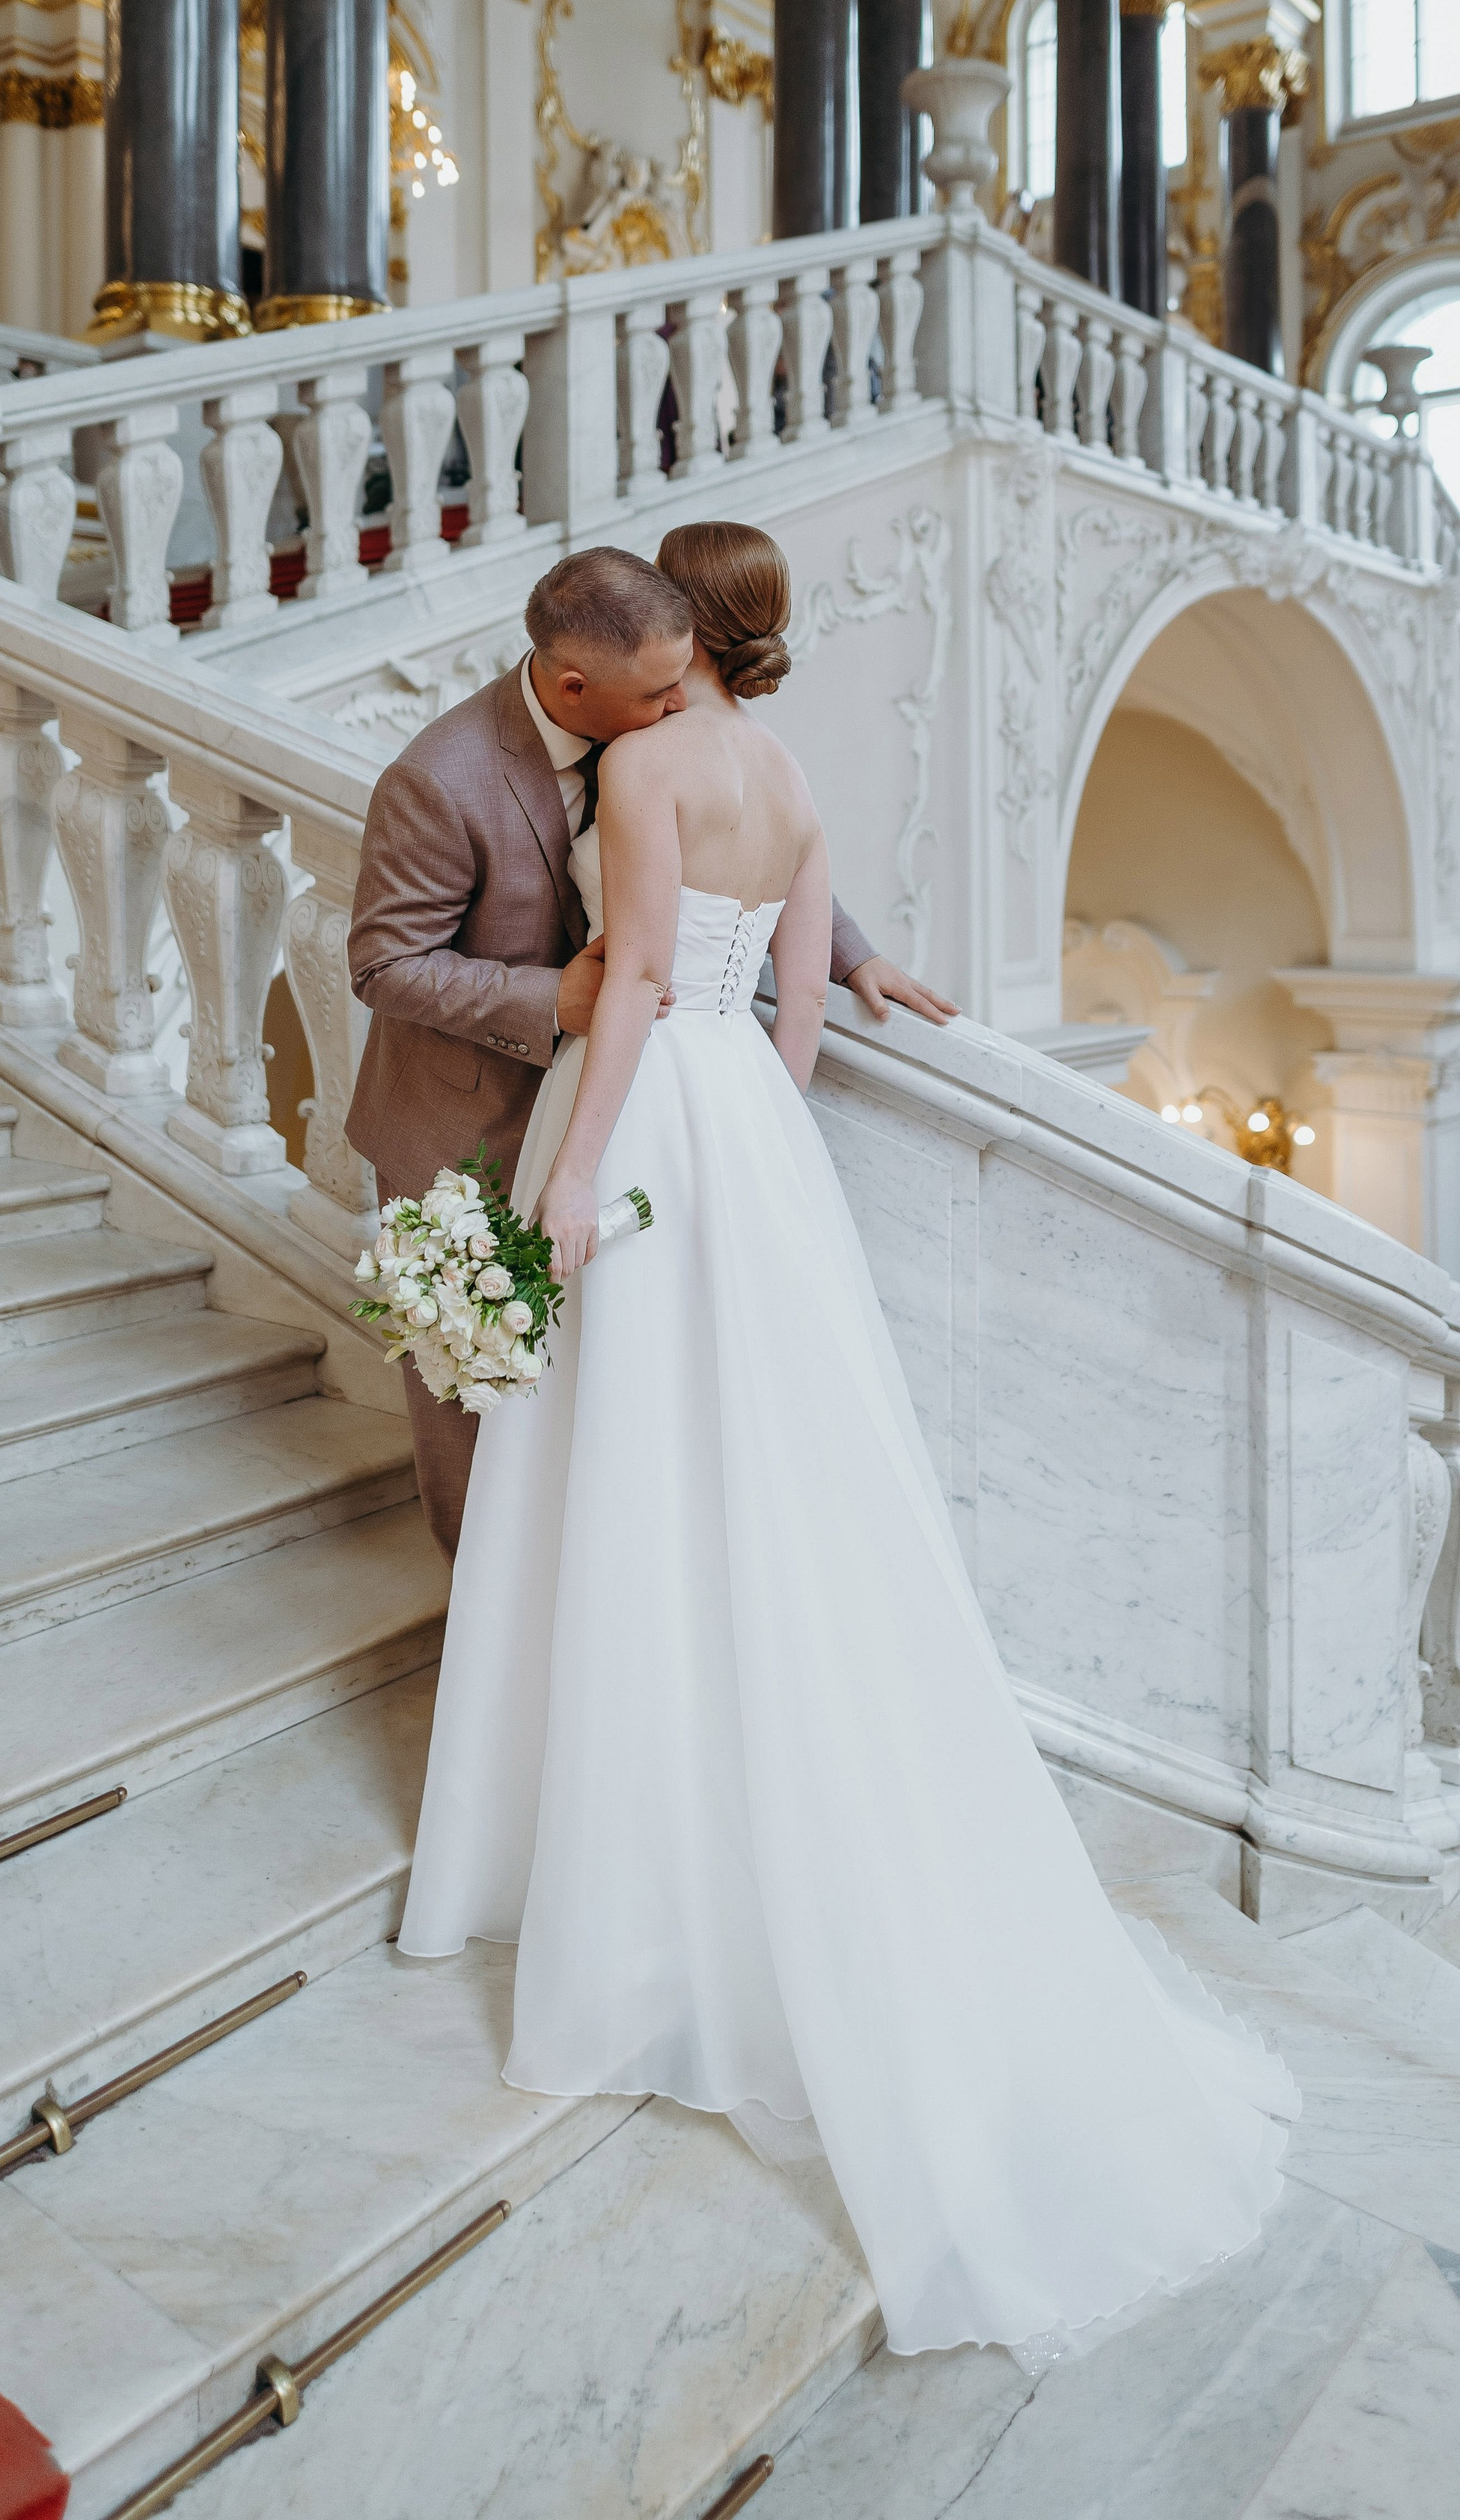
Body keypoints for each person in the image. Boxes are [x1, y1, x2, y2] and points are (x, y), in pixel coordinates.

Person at [397, 520, 1297, 2363]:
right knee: (757, 1489)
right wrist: (758, 1142)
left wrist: (581, 1170)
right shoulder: (790, 777)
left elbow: (632, 981)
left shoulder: (643, 767)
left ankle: (599, 1856)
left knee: (616, 1478)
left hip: (640, 1108)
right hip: (748, 1124)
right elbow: (787, 1002)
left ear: (674, 650)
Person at [345, 540, 954, 1564]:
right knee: (477, 1412)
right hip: (463, 1123)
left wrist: (852, 952)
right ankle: (475, 1627)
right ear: (574, 688)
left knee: (619, 1405)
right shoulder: (439, 780)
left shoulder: (644, 732)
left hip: (615, 1102)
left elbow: (728, 852)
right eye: (661, 692)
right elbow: (383, 963)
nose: (685, 705)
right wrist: (553, 998)